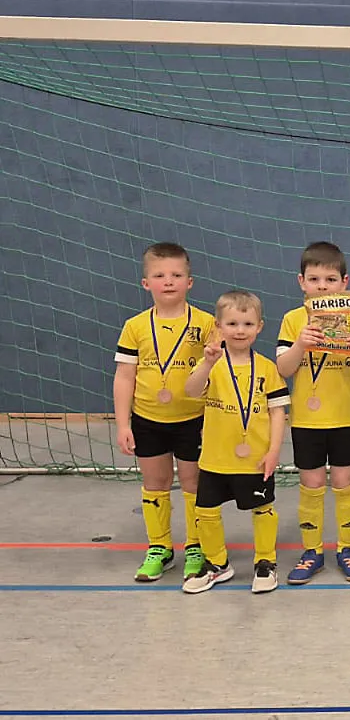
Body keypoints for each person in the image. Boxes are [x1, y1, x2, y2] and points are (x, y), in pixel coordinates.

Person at [114, 242, 215, 582]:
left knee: (193, 482)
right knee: (155, 481)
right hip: (148, 419)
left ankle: (196, 546)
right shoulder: (135, 326)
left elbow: (218, 374)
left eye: (176, 274)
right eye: (159, 275)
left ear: (190, 281)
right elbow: (125, 376)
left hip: (194, 420)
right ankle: (159, 547)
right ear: (146, 283)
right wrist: (123, 423)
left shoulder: (206, 323)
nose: (168, 281)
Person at [276, 242, 350, 585]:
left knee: (345, 483)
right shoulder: (293, 321)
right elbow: (284, 368)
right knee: (312, 483)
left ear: (344, 283)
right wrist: (301, 345)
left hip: (345, 417)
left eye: (330, 279)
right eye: (314, 278)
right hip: (306, 420)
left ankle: (347, 549)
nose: (322, 285)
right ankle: (312, 551)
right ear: (301, 281)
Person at [182, 290, 290, 594]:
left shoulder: (267, 368)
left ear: (260, 327)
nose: (239, 330)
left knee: (263, 508)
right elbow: (191, 391)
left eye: (247, 323)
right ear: (218, 327)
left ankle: (266, 562)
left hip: (255, 458)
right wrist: (205, 364)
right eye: (231, 323)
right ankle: (217, 563)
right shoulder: (211, 363)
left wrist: (273, 452)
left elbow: (278, 412)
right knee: (206, 511)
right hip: (215, 458)